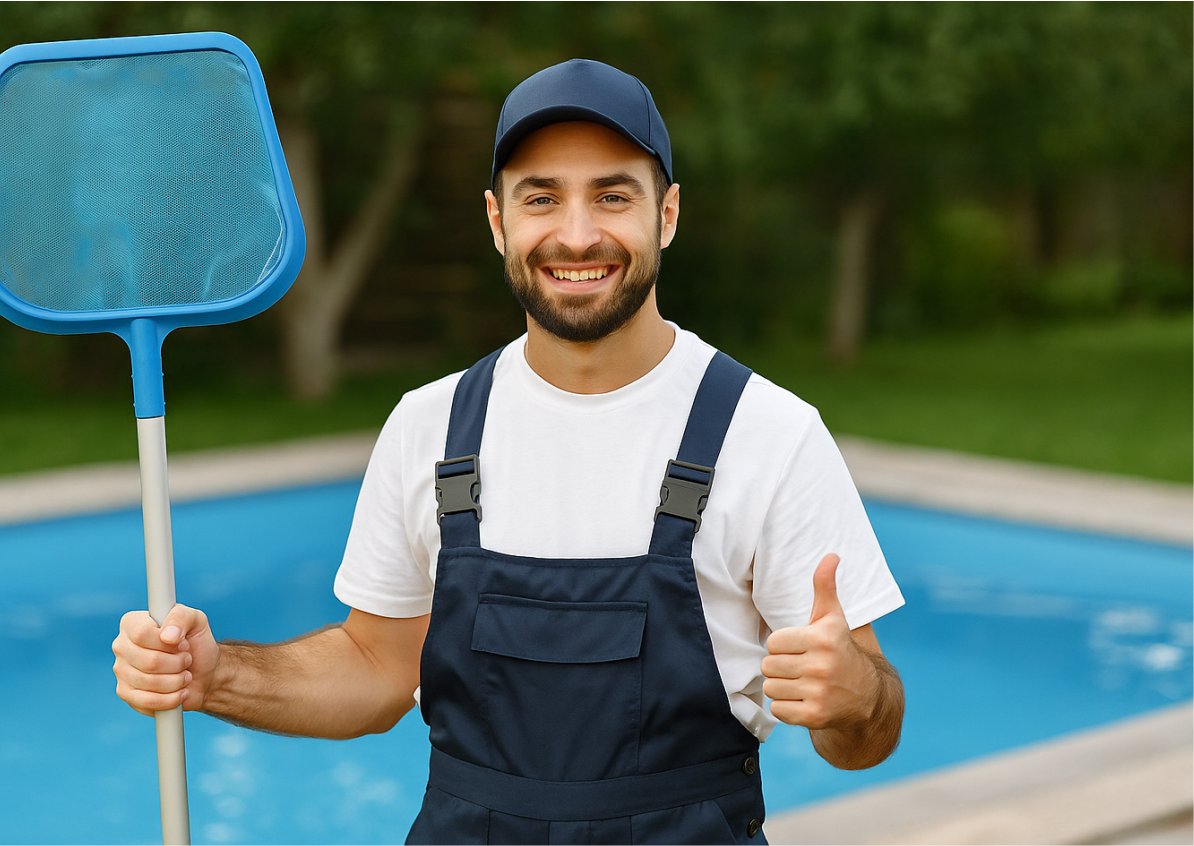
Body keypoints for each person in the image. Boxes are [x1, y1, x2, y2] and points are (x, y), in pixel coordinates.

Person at [113, 58, 906, 844]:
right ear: (498, 222)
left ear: (665, 214)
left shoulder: (768, 433)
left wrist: (854, 699)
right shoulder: (429, 428)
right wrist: (215, 676)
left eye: (612, 195)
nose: (576, 234)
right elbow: (377, 669)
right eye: (541, 198)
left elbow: (865, 733)